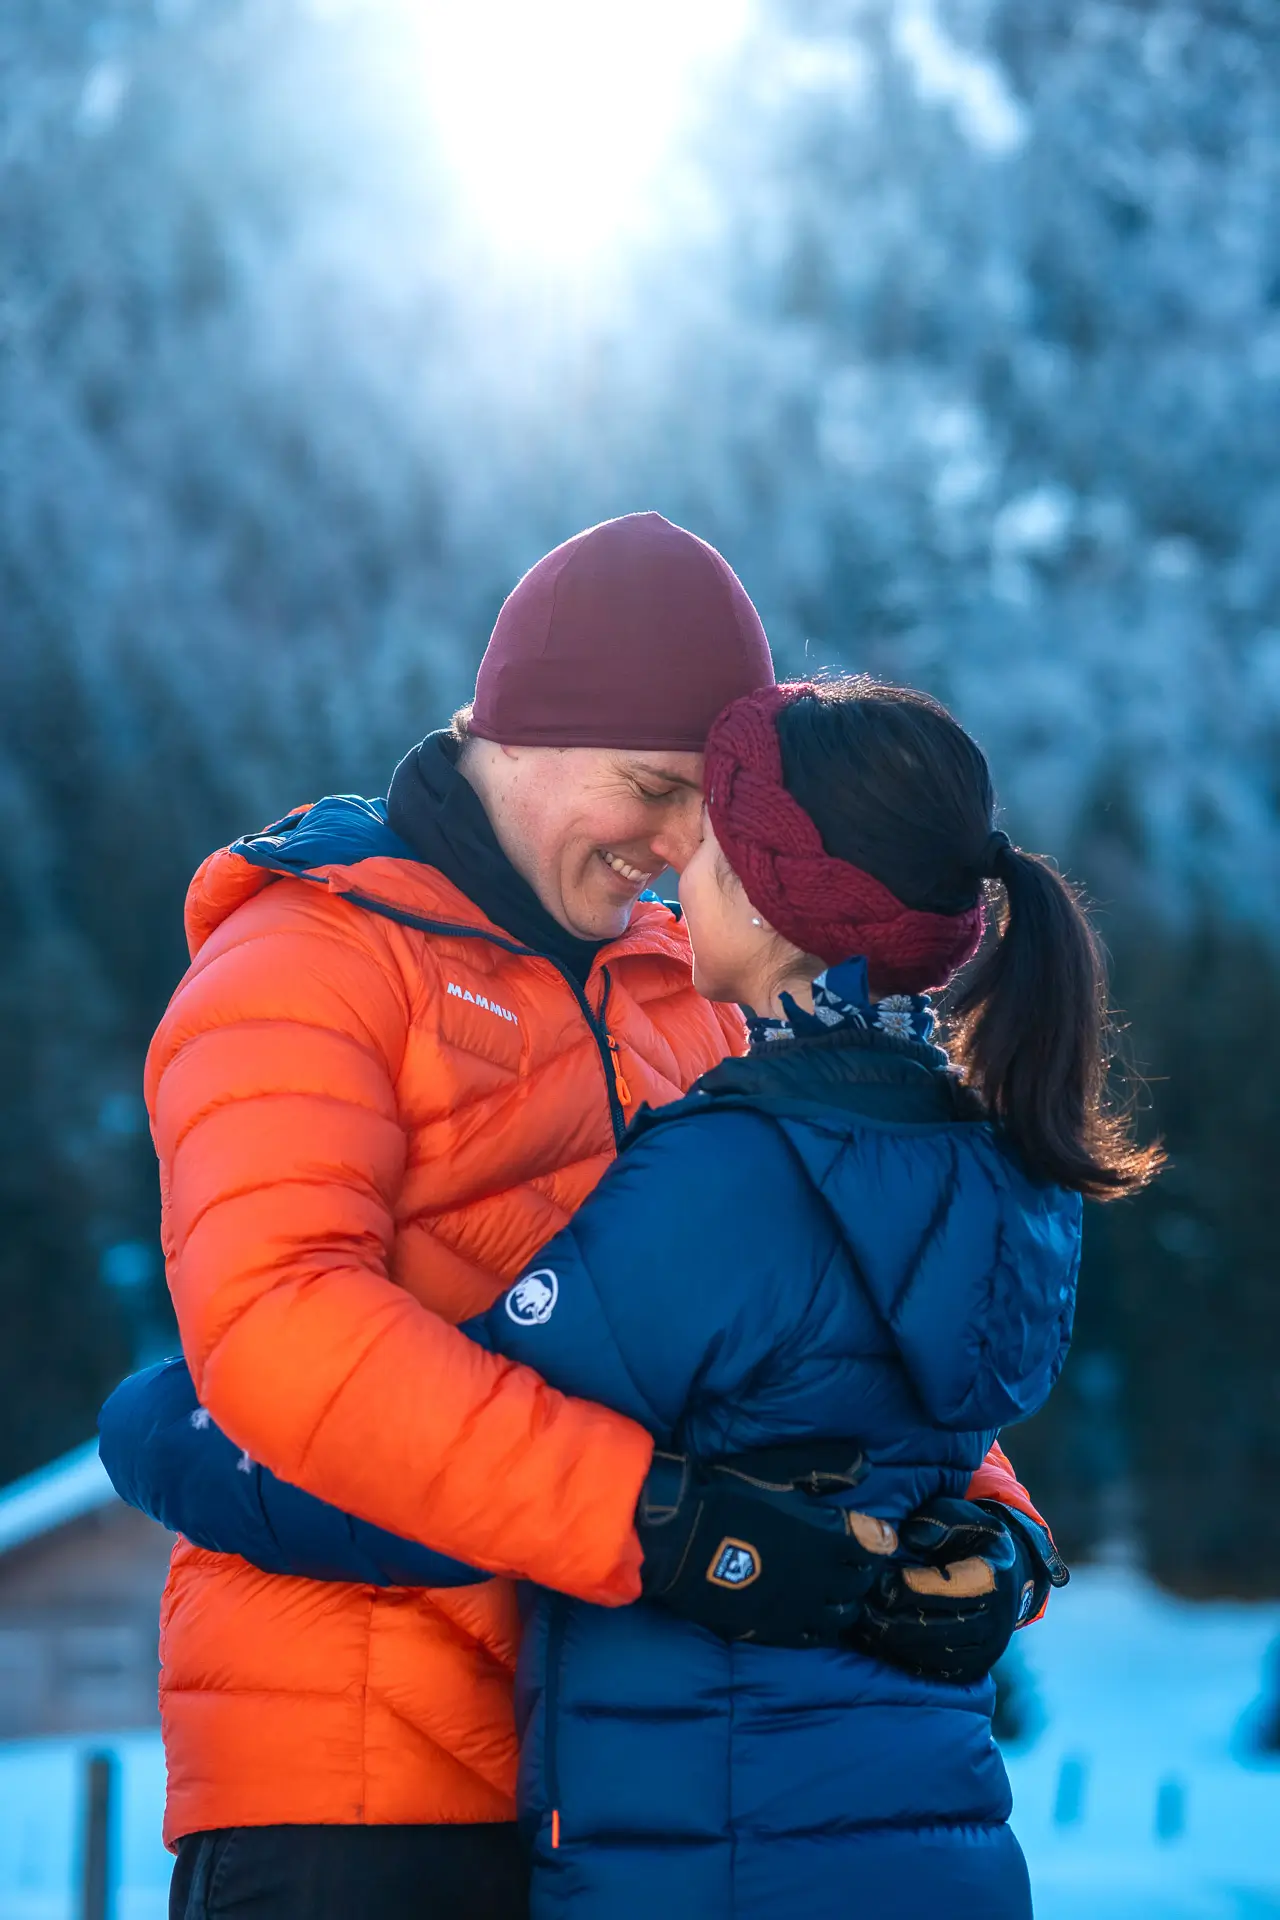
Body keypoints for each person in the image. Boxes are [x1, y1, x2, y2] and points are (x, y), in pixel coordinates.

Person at [102, 518, 1060, 1918]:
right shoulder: (308, 958)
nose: (678, 851)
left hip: (625, 1796)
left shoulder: (691, 996)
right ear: (527, 732)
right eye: (655, 790)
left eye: (709, 818)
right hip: (363, 1792)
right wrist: (657, 1519)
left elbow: (834, 1311)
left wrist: (991, 1523)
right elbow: (281, 1327)